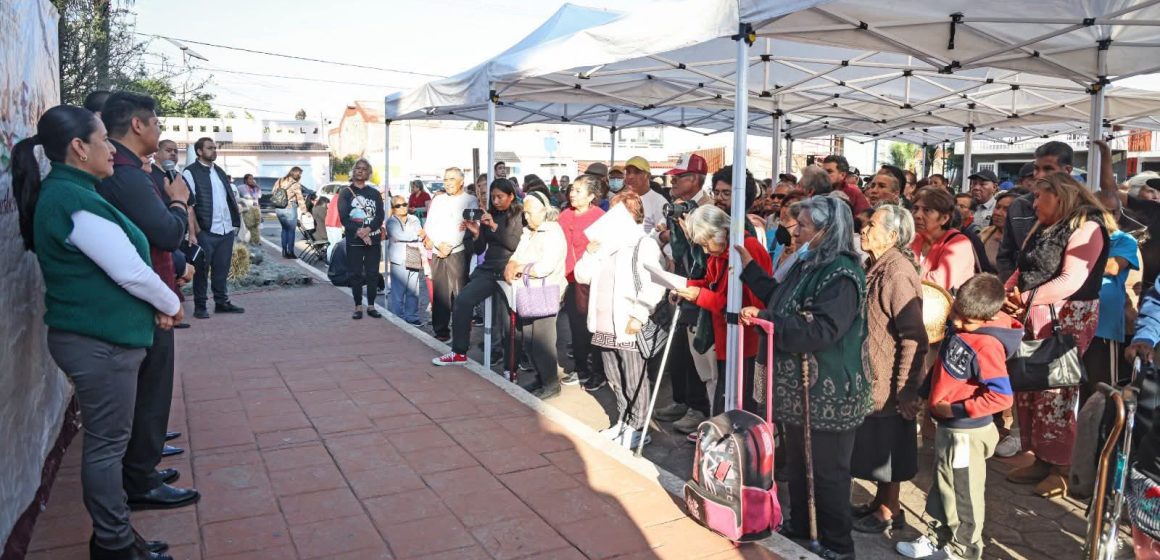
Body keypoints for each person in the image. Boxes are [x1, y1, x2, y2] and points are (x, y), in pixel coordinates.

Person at [13, 105, 182, 560]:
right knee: (108, 449)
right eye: (104, 139)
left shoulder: (74, 190)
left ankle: (115, 535)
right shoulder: (72, 199)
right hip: (100, 346)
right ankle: (114, 544)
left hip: (100, 340)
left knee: (109, 443)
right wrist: (170, 304)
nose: (112, 148)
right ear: (78, 147)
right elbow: (129, 271)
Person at [739, 195, 869, 560]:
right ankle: (799, 526)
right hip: (800, 391)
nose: (796, 232)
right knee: (797, 463)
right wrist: (751, 271)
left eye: (805, 226)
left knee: (827, 474)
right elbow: (780, 299)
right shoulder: (808, 263)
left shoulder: (841, 272)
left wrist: (769, 319)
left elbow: (823, 330)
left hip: (828, 394)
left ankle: (837, 546)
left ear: (827, 231)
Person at [95, 92, 201, 513]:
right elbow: (166, 232)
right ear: (137, 125)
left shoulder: (130, 171)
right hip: (145, 299)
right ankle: (139, 479)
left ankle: (143, 470)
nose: (160, 131)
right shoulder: (125, 174)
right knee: (151, 390)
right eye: (156, 122)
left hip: (151, 291)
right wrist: (177, 201)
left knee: (149, 391)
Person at [896, 274, 1019, 560]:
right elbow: (942, 369)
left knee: (964, 494)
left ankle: (963, 550)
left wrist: (959, 410)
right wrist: (924, 394)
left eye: (968, 321)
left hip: (967, 432)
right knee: (943, 486)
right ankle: (938, 537)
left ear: (987, 317)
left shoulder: (987, 345)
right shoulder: (958, 329)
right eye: (957, 316)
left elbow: (1002, 396)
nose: (960, 324)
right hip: (950, 428)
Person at [1002, 172, 1110, 498]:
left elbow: (1071, 280)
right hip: (1036, 312)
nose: (1033, 204)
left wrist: (1026, 298)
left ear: (1060, 196)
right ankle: (1041, 458)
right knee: (1031, 386)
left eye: (1039, 197)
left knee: (1056, 391)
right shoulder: (1046, 227)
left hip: (1067, 316)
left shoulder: (1087, 227)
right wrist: (1006, 293)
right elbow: (1024, 268)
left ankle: (1062, 467)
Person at [850, 205, 928, 534]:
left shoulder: (896, 272)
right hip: (875, 374)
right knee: (879, 442)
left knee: (890, 443)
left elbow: (914, 337)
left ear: (893, 236)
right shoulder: (877, 265)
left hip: (890, 378)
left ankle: (889, 508)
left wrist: (907, 388)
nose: (864, 229)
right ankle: (880, 502)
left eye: (872, 225)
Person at [574, 191, 666, 449]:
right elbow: (582, 276)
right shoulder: (604, 243)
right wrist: (591, 254)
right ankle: (624, 420)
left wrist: (639, 314)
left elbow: (654, 283)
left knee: (634, 375)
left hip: (627, 322)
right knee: (614, 375)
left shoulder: (643, 244)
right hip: (603, 322)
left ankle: (639, 426)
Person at [677, 204, 772, 416]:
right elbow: (712, 283)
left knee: (742, 402)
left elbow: (750, 304)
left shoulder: (747, 248)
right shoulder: (720, 251)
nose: (705, 250)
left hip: (746, 341)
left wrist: (699, 296)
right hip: (726, 337)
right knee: (725, 396)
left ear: (721, 231)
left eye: (706, 243)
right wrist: (687, 287)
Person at [652, 154, 714, 433]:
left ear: (696, 179)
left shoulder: (707, 208)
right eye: (672, 177)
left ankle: (699, 408)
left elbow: (705, 251)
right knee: (678, 351)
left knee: (696, 354)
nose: (672, 181)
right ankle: (682, 399)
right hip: (681, 283)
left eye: (679, 177)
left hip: (702, 290)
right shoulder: (677, 207)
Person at [432, 179, 523, 365]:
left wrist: (494, 227)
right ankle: (459, 352)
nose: (496, 201)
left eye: (500, 197)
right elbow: (481, 249)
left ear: (511, 196)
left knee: (509, 321)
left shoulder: (519, 215)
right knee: (463, 301)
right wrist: (476, 233)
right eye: (493, 197)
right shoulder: (492, 215)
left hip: (509, 270)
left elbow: (514, 243)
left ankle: (513, 362)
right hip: (489, 269)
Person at [505, 191, 567, 398]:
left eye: (530, 213)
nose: (526, 217)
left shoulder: (553, 232)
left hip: (545, 292)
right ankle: (541, 378)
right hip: (527, 291)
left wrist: (520, 267)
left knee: (543, 342)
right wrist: (513, 263)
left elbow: (545, 267)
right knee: (529, 339)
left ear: (544, 211)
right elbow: (517, 255)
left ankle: (551, 384)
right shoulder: (529, 232)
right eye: (525, 213)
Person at [1082, 198, 1139, 404]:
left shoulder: (1125, 240)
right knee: (1075, 384)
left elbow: (1114, 266)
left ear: (1118, 214)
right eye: (1097, 212)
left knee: (1103, 388)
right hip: (1076, 323)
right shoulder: (1078, 237)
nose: (1105, 217)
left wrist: (1075, 260)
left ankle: (1107, 434)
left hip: (1104, 327)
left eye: (1111, 212)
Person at [182, 137, 244, 319]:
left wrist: (234, 223)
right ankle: (200, 306)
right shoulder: (190, 172)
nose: (214, 151)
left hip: (225, 230)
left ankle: (221, 302)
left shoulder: (219, 171)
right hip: (206, 231)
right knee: (201, 270)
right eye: (210, 148)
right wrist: (193, 232)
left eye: (215, 148)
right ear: (199, 151)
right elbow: (189, 205)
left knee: (222, 269)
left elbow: (227, 200)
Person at [996, 141, 1074, 281]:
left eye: (1048, 169)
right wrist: (1012, 288)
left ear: (1067, 171)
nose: (1039, 175)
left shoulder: (1082, 210)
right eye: (1036, 169)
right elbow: (1005, 255)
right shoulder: (1018, 206)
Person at [558, 175, 606, 390]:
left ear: (592, 196)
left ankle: (598, 372)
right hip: (569, 278)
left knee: (593, 326)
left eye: (578, 191)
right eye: (572, 190)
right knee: (576, 327)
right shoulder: (564, 215)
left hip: (592, 279)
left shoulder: (600, 217)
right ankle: (580, 369)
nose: (572, 194)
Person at [1094, 140, 1160, 292]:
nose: (1156, 195)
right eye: (1152, 190)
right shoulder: (1150, 209)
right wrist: (1106, 156)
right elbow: (1110, 191)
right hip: (1145, 292)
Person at [423, 168, 479, 341]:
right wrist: (439, 245)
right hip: (438, 251)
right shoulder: (438, 200)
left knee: (460, 294)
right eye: (445, 179)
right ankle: (441, 331)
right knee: (440, 294)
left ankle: (462, 335)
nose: (448, 183)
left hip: (459, 252)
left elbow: (469, 225)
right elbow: (429, 224)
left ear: (461, 181)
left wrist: (451, 245)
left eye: (452, 179)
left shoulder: (470, 200)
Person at [338, 158, 385, 320]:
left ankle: (371, 305)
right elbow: (344, 217)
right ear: (353, 171)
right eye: (357, 168)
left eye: (364, 169)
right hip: (354, 240)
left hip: (373, 239)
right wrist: (359, 232)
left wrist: (368, 229)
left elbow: (380, 216)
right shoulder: (345, 193)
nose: (360, 171)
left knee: (372, 273)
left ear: (369, 173)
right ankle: (358, 306)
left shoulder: (374, 193)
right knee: (356, 274)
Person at [910, 186, 977, 293]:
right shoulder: (915, 238)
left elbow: (937, 284)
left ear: (944, 218)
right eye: (915, 208)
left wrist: (904, 276)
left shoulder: (959, 244)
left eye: (927, 210)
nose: (917, 215)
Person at [386, 195, 427, 325]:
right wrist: (415, 235)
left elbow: (420, 235)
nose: (402, 207)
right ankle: (398, 318)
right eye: (398, 205)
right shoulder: (391, 221)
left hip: (413, 255)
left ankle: (412, 317)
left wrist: (411, 236)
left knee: (413, 291)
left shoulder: (414, 218)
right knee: (398, 292)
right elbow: (400, 235)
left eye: (404, 204)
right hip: (398, 259)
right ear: (393, 208)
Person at [624, 156, 667, 233]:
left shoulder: (659, 202)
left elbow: (661, 235)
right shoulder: (620, 199)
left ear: (648, 176)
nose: (630, 176)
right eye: (628, 172)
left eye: (637, 172)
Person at [272, 167, 307, 259]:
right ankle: (290, 252)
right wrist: (305, 211)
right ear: (297, 174)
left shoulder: (280, 180)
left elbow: (273, 192)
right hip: (290, 208)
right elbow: (300, 198)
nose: (301, 176)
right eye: (300, 174)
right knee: (291, 231)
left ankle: (284, 251)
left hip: (279, 208)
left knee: (284, 229)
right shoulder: (295, 184)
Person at [980, 192, 1016, 279]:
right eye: (997, 207)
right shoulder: (984, 233)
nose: (998, 213)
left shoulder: (1020, 241)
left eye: (1006, 209)